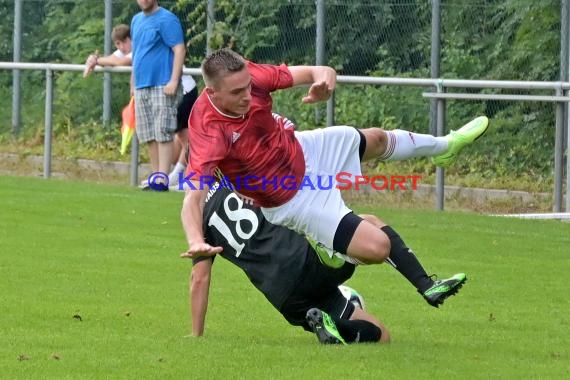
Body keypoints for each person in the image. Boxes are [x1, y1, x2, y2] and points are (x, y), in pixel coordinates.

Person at [181, 48, 488, 305]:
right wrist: (196, 239)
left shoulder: (251, 77)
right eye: (237, 92)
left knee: (378, 139)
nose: (248, 95)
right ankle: (328, 251)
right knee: (377, 248)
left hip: (304, 150)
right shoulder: (209, 132)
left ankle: (445, 146)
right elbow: (193, 197)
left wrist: (324, 81)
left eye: (248, 86)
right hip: (291, 198)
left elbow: (319, 70)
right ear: (212, 93)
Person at [182, 183, 390, 344]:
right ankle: (418, 278)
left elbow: (199, 278)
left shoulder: (194, 215)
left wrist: (196, 333)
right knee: (368, 224)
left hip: (284, 296)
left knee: (378, 334)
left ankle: (334, 325)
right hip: (307, 261)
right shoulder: (238, 174)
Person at [83, 22, 197, 188]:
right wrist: (95, 60)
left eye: (122, 43)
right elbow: (116, 58)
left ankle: (181, 176)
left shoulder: (142, 45)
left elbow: (123, 62)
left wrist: (98, 60)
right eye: (117, 44)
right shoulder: (129, 49)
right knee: (180, 138)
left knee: (182, 137)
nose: (121, 48)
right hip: (171, 92)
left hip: (183, 91)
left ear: (131, 39)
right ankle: (175, 175)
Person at [130, 0, 186, 190]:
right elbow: (137, 54)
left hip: (162, 84)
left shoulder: (167, 19)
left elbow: (179, 49)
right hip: (141, 85)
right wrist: (133, 82)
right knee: (147, 133)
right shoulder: (136, 20)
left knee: (163, 130)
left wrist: (173, 80)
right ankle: (156, 176)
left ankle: (162, 178)